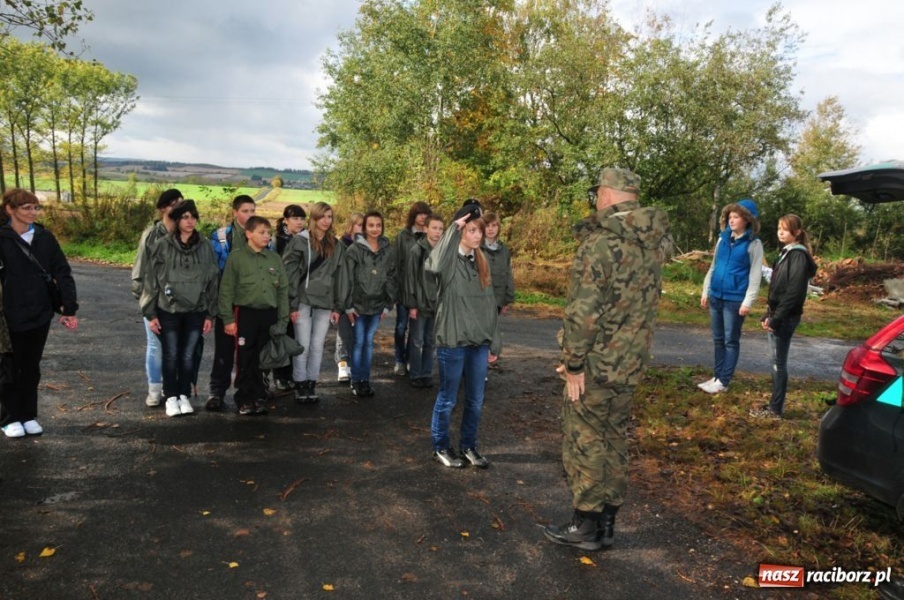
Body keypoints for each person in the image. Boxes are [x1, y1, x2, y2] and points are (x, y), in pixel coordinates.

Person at [543, 168, 670, 550]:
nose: (596, 198)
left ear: (609, 195)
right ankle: (608, 523)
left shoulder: (601, 244)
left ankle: (586, 526)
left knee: (585, 440)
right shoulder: (653, 243)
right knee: (614, 437)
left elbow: (584, 313)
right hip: (630, 362)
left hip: (597, 364)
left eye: (598, 192)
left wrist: (574, 364)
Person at [426, 200, 499, 469]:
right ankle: (441, 446)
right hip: (453, 340)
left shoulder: (482, 262)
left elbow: (490, 304)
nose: (477, 235)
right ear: (460, 231)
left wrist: (495, 342)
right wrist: (452, 228)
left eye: (479, 230)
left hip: (478, 342)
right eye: (471, 230)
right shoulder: (447, 261)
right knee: (448, 398)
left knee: (476, 399)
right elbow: (432, 267)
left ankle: (469, 446)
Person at [0, 189, 79, 438]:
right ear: (9, 210)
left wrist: (69, 306)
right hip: (7, 316)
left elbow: (62, 271)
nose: (33, 212)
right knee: (9, 367)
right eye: (26, 207)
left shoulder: (45, 237)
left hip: (39, 312)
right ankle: (9, 418)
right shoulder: (1, 238)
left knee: (31, 366)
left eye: (36, 207)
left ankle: (28, 414)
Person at [141, 200, 219, 417]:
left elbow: (213, 280)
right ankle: (171, 396)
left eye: (193, 216)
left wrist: (210, 314)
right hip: (168, 311)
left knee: (187, 355)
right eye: (185, 217)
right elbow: (150, 280)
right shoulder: (162, 246)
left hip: (196, 311)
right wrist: (151, 313)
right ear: (176, 220)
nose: (190, 221)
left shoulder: (205, 247)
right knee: (171, 354)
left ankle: (184, 394)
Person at [217, 215, 289, 416]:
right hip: (245, 314)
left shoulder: (274, 258)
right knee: (245, 357)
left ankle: (259, 396)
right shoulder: (237, 258)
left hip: (269, 315)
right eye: (262, 232)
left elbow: (283, 291)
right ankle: (244, 398)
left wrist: (282, 320)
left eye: (268, 233)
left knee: (263, 357)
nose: (267, 236)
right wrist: (228, 319)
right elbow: (226, 290)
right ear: (249, 234)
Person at [751, 215, 817, 420]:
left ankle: (775, 410)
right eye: (779, 228)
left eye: (785, 229)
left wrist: (777, 317)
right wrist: (768, 312)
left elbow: (794, 292)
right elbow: (777, 289)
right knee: (776, 363)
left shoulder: (798, 255)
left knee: (778, 364)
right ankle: (774, 406)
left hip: (786, 317)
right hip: (778, 314)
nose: (780, 232)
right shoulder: (785, 253)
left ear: (796, 232)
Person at [697, 198, 763, 394]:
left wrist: (748, 301)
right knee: (718, 339)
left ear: (747, 220)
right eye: (730, 217)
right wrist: (705, 289)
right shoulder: (722, 239)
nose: (731, 220)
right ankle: (717, 376)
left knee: (730, 340)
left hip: (735, 300)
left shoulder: (754, 244)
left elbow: (755, 275)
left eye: (736, 217)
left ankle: (724, 381)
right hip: (716, 295)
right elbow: (714, 266)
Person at [283, 202, 345, 404]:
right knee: (303, 345)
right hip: (303, 300)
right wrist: (291, 304)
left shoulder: (335, 245)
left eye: (329, 217)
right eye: (322, 216)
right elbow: (290, 274)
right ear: (314, 218)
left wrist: (337, 305)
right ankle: (299, 382)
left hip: (325, 301)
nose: (326, 221)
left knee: (318, 345)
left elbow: (339, 277)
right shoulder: (300, 242)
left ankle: (311, 382)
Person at [131, 188, 182, 407]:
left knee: (179, 347)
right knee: (156, 346)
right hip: (154, 300)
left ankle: (177, 389)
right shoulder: (152, 234)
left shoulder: (185, 234)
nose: (177, 207)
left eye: (181, 203)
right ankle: (154, 389)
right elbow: (140, 270)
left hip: (180, 303)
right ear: (163, 208)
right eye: (173, 203)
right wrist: (145, 304)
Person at [206, 195, 257, 411]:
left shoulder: (261, 235)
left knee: (248, 352)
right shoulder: (220, 237)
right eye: (245, 211)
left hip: (250, 304)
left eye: (252, 211)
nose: (249, 215)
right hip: (226, 302)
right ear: (235, 213)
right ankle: (217, 392)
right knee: (224, 351)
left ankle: (246, 394)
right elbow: (213, 271)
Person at [339, 211, 396, 397]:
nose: (375, 229)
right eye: (371, 225)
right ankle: (356, 380)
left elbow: (391, 277)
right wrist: (347, 305)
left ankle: (365, 380)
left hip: (377, 305)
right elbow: (346, 279)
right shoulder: (354, 250)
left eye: (378, 225)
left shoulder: (388, 250)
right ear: (364, 228)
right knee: (358, 343)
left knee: (369, 343)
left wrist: (389, 303)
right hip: (358, 305)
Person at [392, 201, 431, 376]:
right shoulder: (403, 236)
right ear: (413, 215)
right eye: (420, 213)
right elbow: (396, 263)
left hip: (421, 293)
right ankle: (399, 359)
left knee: (416, 330)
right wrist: (397, 290)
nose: (423, 217)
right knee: (401, 327)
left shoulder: (431, 236)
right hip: (403, 290)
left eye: (425, 214)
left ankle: (409, 359)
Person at [270, 204, 307, 393]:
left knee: (295, 336)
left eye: (302, 219)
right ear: (285, 220)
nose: (299, 222)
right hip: (280, 294)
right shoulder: (278, 241)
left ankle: (291, 374)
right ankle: (279, 376)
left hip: (300, 294)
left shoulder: (306, 239)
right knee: (281, 335)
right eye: (295, 218)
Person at [404, 214, 443, 388]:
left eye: (441, 229)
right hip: (420, 303)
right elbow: (410, 279)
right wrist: (412, 304)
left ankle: (427, 373)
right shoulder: (417, 250)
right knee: (416, 340)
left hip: (437, 304)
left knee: (431, 341)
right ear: (426, 229)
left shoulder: (444, 251)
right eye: (434, 228)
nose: (437, 232)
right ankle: (415, 373)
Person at [333, 212, 364, 383]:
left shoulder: (368, 246)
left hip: (361, 297)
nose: (362, 229)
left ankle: (354, 364)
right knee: (344, 332)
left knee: (357, 333)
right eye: (359, 225)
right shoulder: (341, 245)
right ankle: (343, 364)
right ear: (351, 226)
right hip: (343, 295)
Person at [480, 212, 515, 315]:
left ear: (498, 227)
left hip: (498, 300)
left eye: (494, 225)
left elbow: (508, 275)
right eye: (487, 225)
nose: (490, 229)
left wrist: (507, 299)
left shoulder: (504, 250)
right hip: (480, 299)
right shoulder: (477, 248)